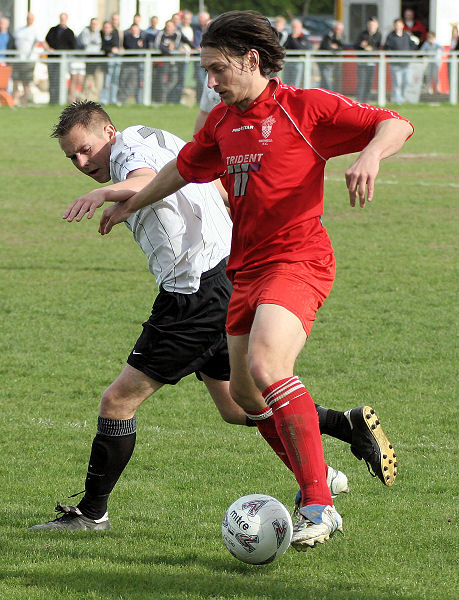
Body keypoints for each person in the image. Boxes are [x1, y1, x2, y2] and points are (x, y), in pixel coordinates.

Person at [93, 11, 411, 550]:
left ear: (252, 61)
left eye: (217, 69)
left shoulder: (306, 108)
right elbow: (183, 167)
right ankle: (340, 438)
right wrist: (132, 203)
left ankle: (319, 503)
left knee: (267, 366)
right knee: (242, 394)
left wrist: (371, 156)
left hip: (300, 258)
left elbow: (394, 122)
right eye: (206, 71)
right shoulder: (221, 122)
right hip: (246, 266)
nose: (210, 81)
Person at [29, 100, 398, 533]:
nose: (81, 162)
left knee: (118, 400)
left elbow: (143, 181)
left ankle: (92, 514)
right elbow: (217, 187)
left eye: (86, 149)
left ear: (109, 131)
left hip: (194, 292)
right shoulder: (154, 136)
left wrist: (104, 192)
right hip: (223, 276)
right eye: (72, 157)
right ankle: (341, 430)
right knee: (240, 404)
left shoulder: (130, 151)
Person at [44, 12, 76, 104]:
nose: (62, 20)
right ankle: (52, 101)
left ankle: (60, 100)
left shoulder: (69, 32)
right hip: (52, 60)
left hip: (62, 62)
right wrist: (49, 49)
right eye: (61, 18)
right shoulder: (53, 30)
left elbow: (72, 47)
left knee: (60, 80)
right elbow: (46, 41)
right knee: (52, 80)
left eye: (64, 19)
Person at [384, 18, 418, 104]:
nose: (398, 26)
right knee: (397, 83)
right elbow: (387, 48)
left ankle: (402, 98)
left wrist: (410, 54)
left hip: (406, 63)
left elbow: (413, 45)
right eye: (396, 24)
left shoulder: (406, 35)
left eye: (399, 24)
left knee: (407, 81)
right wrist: (394, 57)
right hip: (395, 64)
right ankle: (397, 101)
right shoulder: (391, 36)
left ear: (402, 25)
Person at [12, 12, 41, 106]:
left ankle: (25, 102)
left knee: (26, 82)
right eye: (28, 18)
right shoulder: (19, 30)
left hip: (28, 61)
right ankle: (14, 102)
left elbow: (42, 42)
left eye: (31, 18)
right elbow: (12, 43)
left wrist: (50, 50)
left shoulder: (35, 30)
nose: (29, 20)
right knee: (15, 81)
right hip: (18, 60)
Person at [353, 17, 382, 104]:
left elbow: (378, 47)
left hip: (371, 63)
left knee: (369, 83)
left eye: (373, 24)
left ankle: (366, 102)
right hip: (362, 62)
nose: (372, 26)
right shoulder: (362, 34)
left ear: (377, 25)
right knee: (361, 82)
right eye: (370, 24)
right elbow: (355, 45)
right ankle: (359, 101)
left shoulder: (378, 35)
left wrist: (372, 49)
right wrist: (361, 45)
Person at [77, 18, 103, 101]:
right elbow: (86, 44)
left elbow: (99, 45)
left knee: (96, 81)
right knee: (87, 80)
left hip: (97, 60)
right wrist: (93, 43)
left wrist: (93, 43)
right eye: (92, 23)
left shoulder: (99, 33)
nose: (94, 26)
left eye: (95, 24)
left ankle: (95, 99)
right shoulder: (85, 32)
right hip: (88, 59)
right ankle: (83, 98)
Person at [118, 23, 144, 105]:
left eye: (136, 29)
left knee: (132, 84)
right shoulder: (127, 37)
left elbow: (143, 48)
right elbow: (130, 47)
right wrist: (138, 45)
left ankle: (127, 100)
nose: (134, 31)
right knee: (123, 82)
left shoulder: (142, 38)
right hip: (127, 65)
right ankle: (121, 101)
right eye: (133, 29)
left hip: (136, 66)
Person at [283, 18, 311, 88]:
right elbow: (284, 47)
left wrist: (294, 39)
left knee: (296, 83)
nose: (294, 29)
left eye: (296, 27)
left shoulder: (303, 38)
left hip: (298, 63)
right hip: (288, 63)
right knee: (286, 83)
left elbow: (301, 49)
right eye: (293, 27)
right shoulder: (288, 37)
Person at [319, 21, 344, 91]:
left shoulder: (341, 37)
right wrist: (333, 48)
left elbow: (341, 47)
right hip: (324, 61)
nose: (338, 31)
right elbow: (326, 46)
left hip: (333, 62)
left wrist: (336, 47)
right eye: (337, 29)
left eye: (340, 29)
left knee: (328, 79)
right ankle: (330, 92)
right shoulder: (329, 35)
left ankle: (326, 93)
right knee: (325, 78)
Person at [99, 20, 120, 105]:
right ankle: (104, 99)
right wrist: (110, 49)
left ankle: (113, 99)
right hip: (106, 63)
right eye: (105, 27)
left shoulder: (115, 34)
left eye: (108, 27)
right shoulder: (100, 35)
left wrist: (112, 49)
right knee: (106, 81)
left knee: (115, 80)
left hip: (115, 61)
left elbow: (116, 46)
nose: (106, 29)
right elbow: (102, 46)